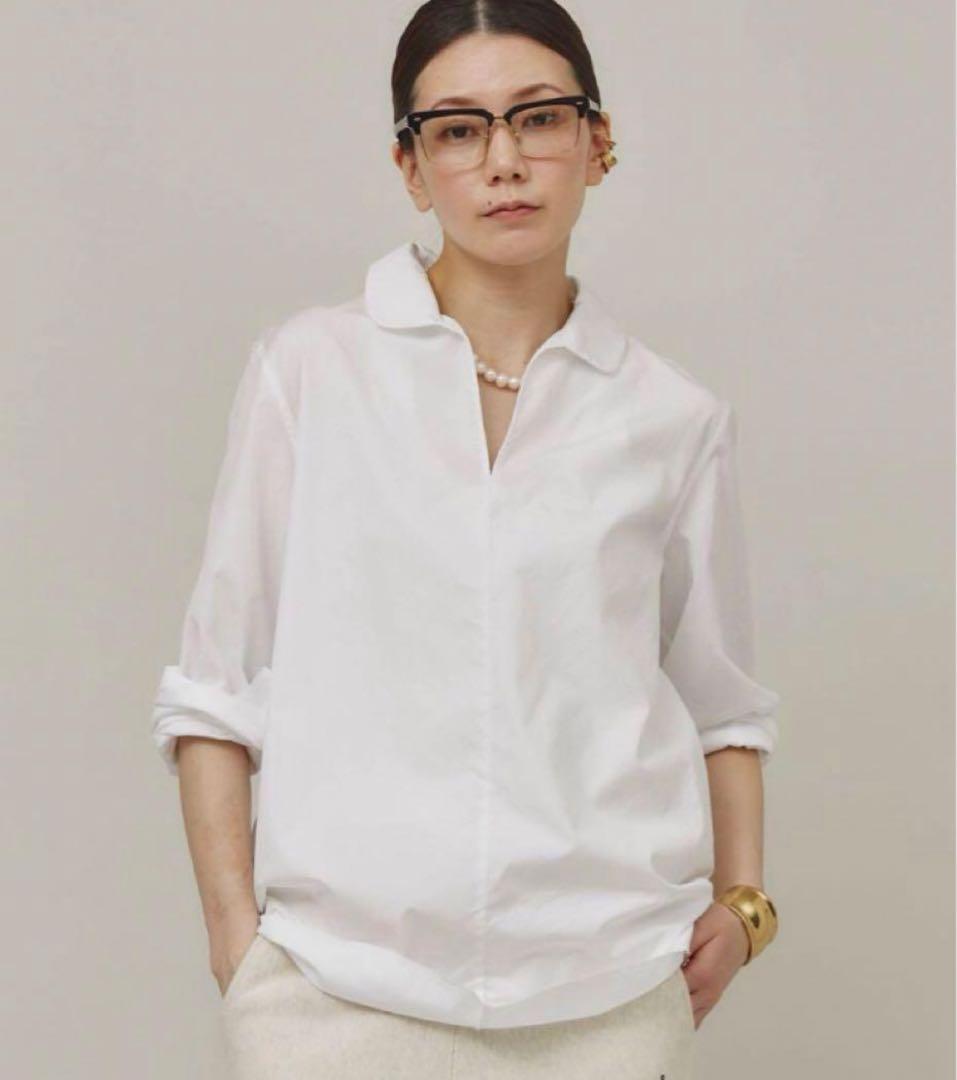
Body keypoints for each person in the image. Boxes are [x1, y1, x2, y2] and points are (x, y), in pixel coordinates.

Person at [150, 1, 782, 1076]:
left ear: (597, 141)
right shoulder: (310, 373)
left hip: (607, 993)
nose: (503, 161)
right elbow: (216, 685)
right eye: (457, 129)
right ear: (411, 166)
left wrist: (744, 902)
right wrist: (238, 950)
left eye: (539, 117)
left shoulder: (670, 417)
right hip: (335, 991)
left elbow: (720, 701)